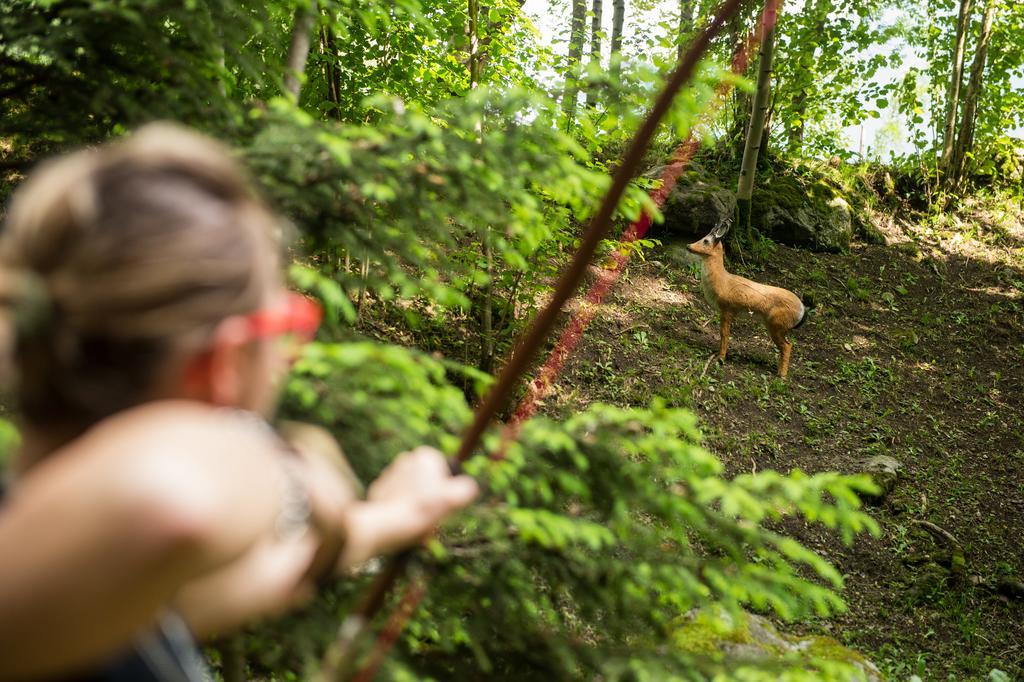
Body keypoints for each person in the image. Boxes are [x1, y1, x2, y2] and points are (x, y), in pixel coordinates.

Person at [0, 124, 479, 680]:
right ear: (223, 365)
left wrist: (390, 518)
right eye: (284, 329)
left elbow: (273, 574)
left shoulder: (89, 591)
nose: (287, 359)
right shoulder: (120, 527)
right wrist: (290, 472)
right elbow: (169, 505)